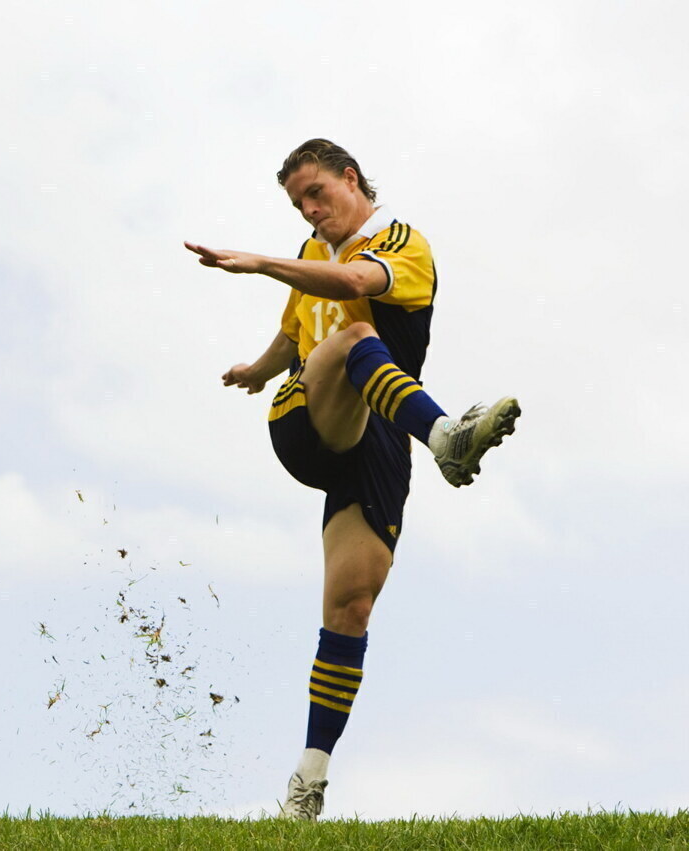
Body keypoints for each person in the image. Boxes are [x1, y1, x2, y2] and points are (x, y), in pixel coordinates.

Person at [184, 138, 519, 821]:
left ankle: (306, 785)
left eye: (317, 193)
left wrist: (258, 264)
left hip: (379, 441)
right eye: (298, 204)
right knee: (357, 343)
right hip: (304, 421)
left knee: (350, 608)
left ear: (351, 177)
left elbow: (353, 286)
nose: (310, 211)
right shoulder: (308, 252)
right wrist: (259, 367)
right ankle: (448, 439)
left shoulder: (405, 245)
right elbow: (299, 331)